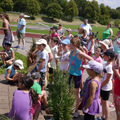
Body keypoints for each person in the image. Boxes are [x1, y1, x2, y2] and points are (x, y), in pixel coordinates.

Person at [68, 37, 93, 117]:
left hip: (77, 75)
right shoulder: (71, 52)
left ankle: (76, 110)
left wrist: (84, 66)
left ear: (74, 44)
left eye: (70, 43)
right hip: (70, 74)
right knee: (70, 91)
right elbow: (70, 61)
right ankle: (70, 107)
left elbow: (91, 58)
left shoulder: (80, 53)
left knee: (76, 92)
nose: (69, 45)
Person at [100, 49, 115, 120]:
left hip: (106, 87)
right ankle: (103, 116)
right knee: (102, 102)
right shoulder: (105, 64)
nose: (103, 56)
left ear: (108, 57)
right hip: (102, 86)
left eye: (105, 55)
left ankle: (107, 118)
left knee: (105, 103)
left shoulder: (110, 67)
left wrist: (100, 85)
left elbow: (107, 80)